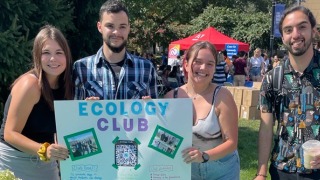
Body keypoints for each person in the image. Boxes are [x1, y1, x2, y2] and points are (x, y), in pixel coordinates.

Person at [255, 5, 320, 180]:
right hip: (282, 170)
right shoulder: (271, 79)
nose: (296, 34)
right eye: (288, 30)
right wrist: (261, 173)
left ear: (314, 31)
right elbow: (266, 128)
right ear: (283, 37)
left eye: (302, 27)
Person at [0, 25, 72, 180]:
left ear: (67, 56)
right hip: (13, 161)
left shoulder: (67, 86)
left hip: (45, 162)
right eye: (46, 53)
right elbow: (10, 133)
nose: (53, 59)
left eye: (59, 52)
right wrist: (44, 149)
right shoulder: (30, 85)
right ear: (37, 56)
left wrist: (88, 106)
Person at [164, 41, 240, 179]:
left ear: (215, 68)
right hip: (187, 170)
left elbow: (231, 142)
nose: (203, 68)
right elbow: (161, 138)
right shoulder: (171, 98)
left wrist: (204, 156)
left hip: (222, 170)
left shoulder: (222, 96)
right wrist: (148, 110)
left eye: (210, 64)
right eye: (197, 61)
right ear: (186, 65)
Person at [73, 0, 158, 100]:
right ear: (99, 27)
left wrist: (151, 108)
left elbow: (155, 113)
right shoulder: (81, 68)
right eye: (110, 26)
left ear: (128, 28)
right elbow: (73, 112)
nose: (116, 32)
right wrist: (84, 109)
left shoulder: (146, 68)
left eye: (122, 26)